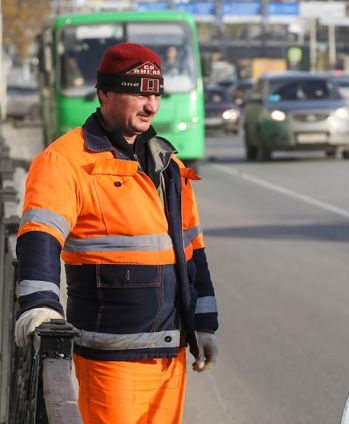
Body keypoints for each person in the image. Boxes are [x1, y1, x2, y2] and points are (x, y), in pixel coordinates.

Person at [14, 42, 219, 423]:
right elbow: (40, 235)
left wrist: (204, 325)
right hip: (111, 361)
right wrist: (40, 306)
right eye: (138, 94)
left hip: (170, 356)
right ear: (105, 93)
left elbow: (192, 251)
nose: (151, 106)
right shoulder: (65, 161)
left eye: (156, 94)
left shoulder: (169, 165)